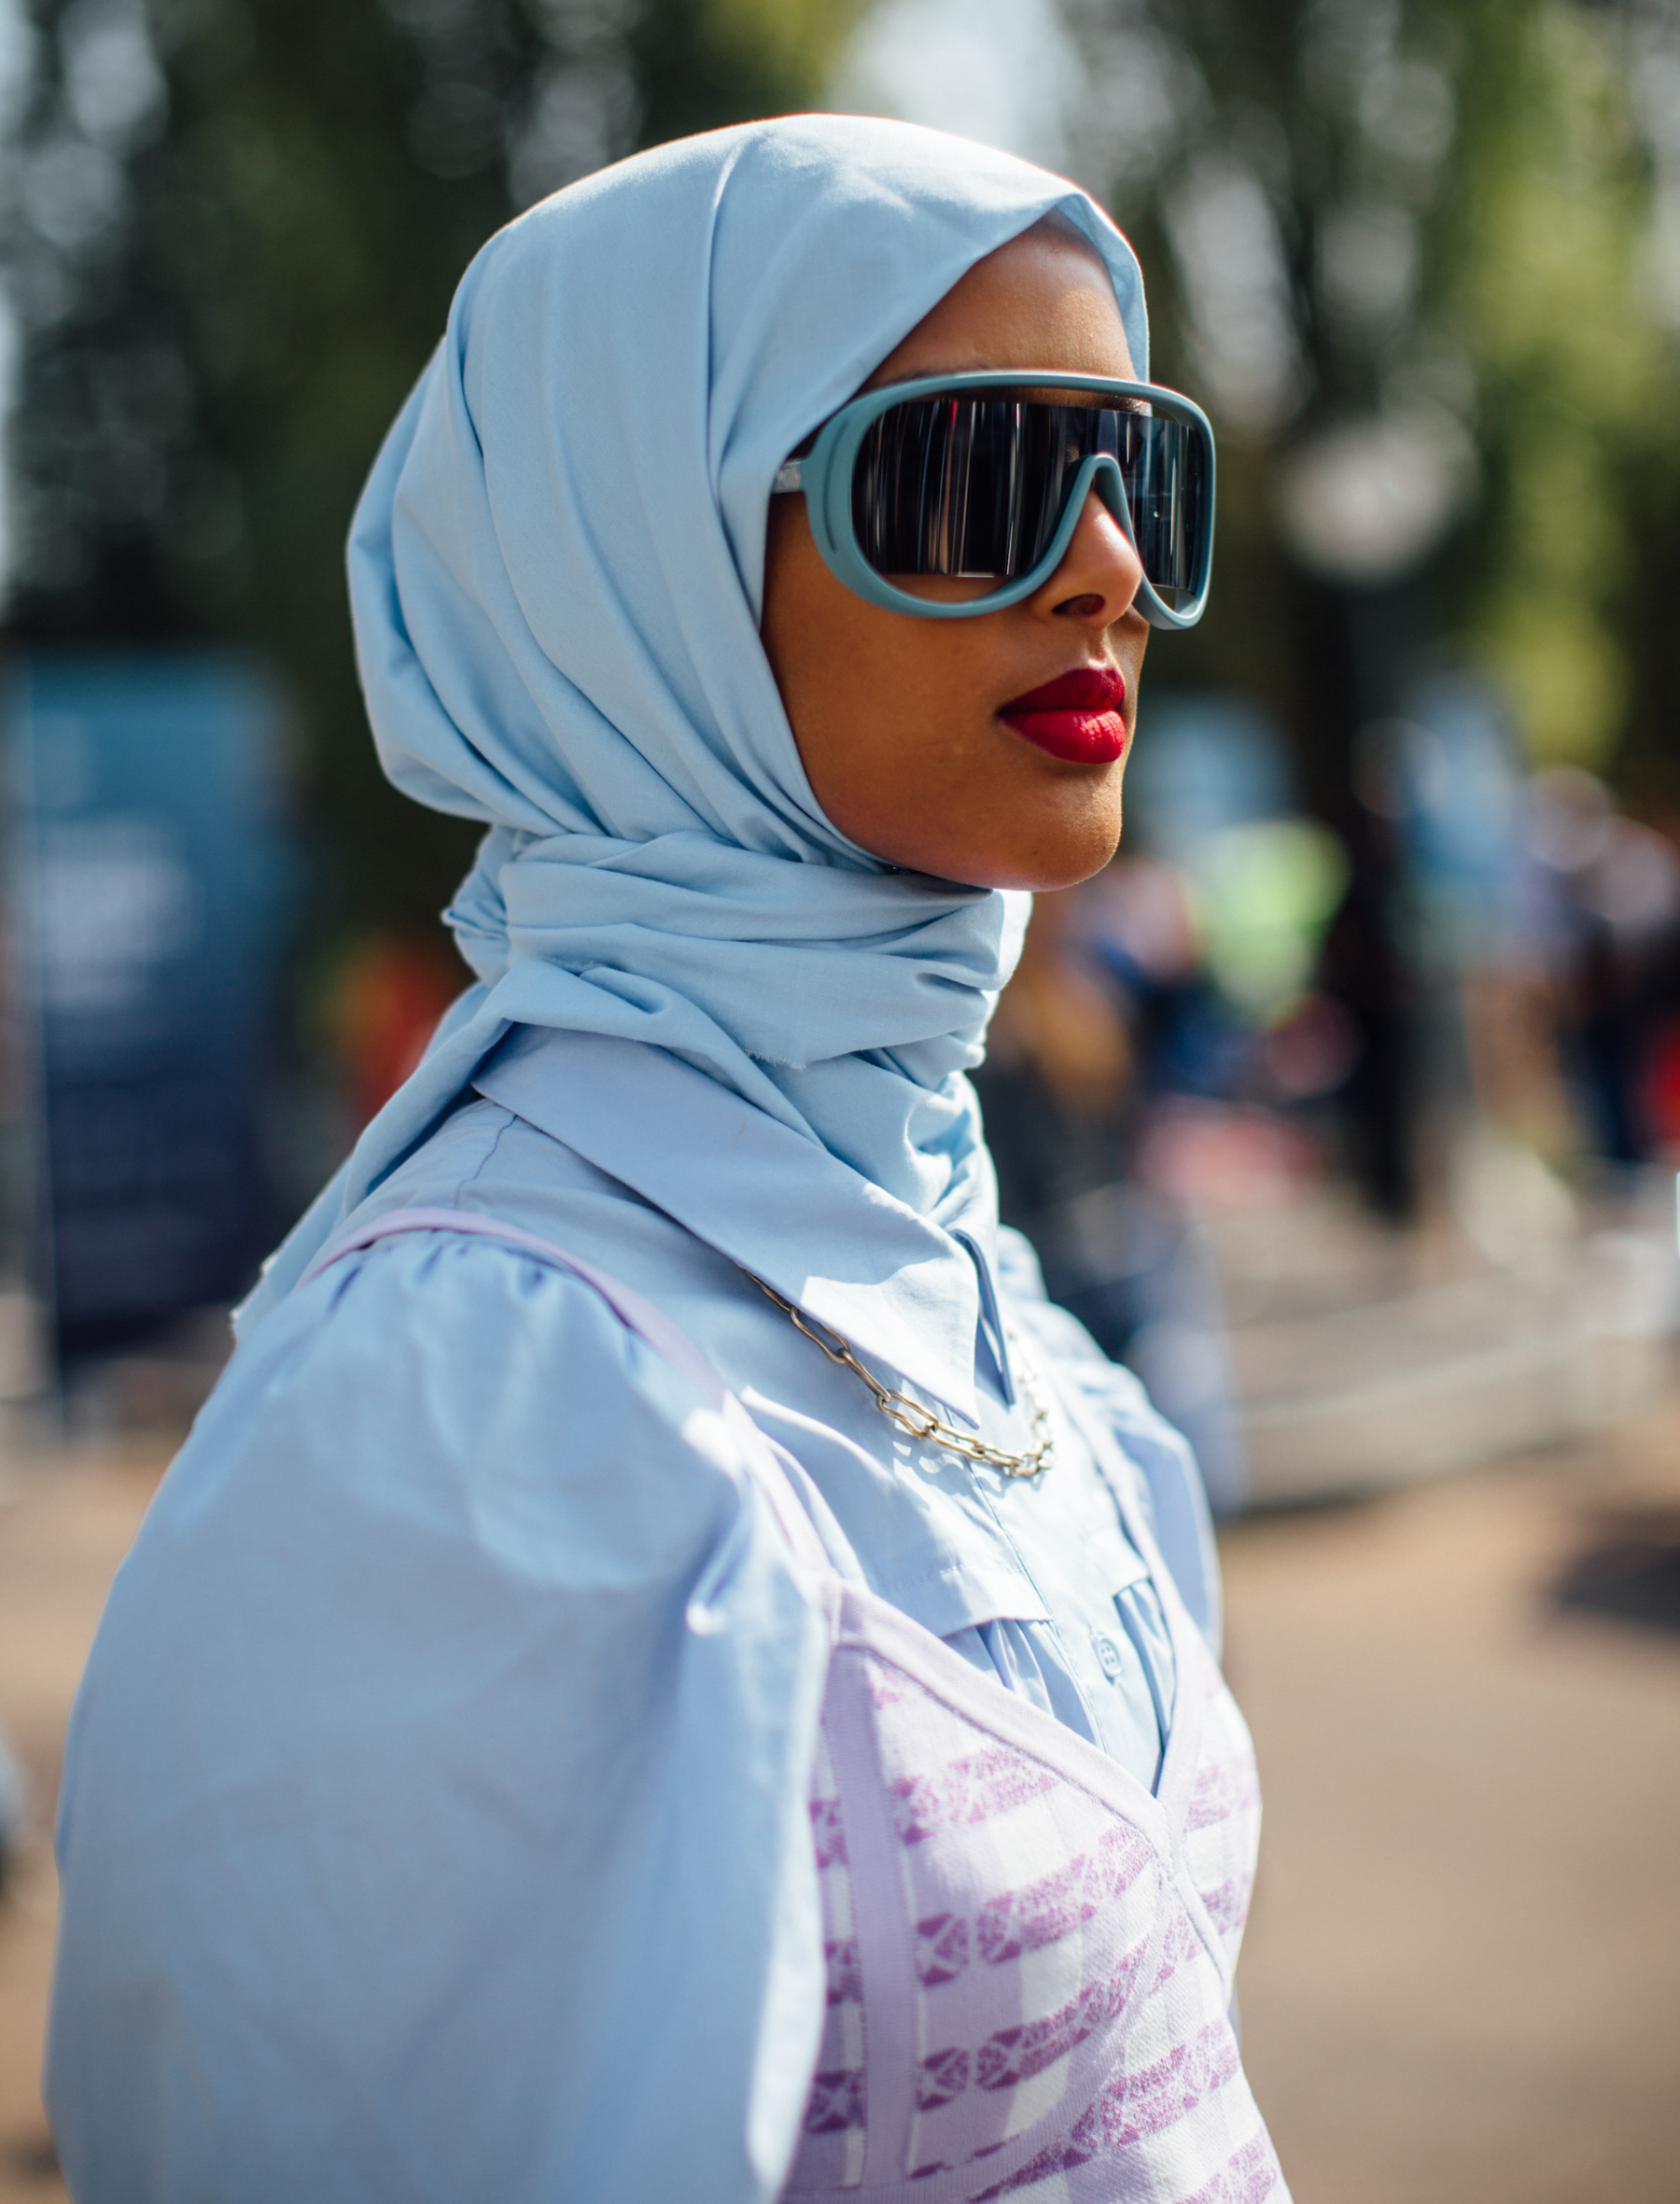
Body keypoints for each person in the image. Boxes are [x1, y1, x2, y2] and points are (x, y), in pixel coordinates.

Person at [46, 117, 1284, 2204]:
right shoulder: (460, 1413)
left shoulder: (958, 1258)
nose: (1106, 568)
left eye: (1138, 470)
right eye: (975, 477)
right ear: (648, 570)